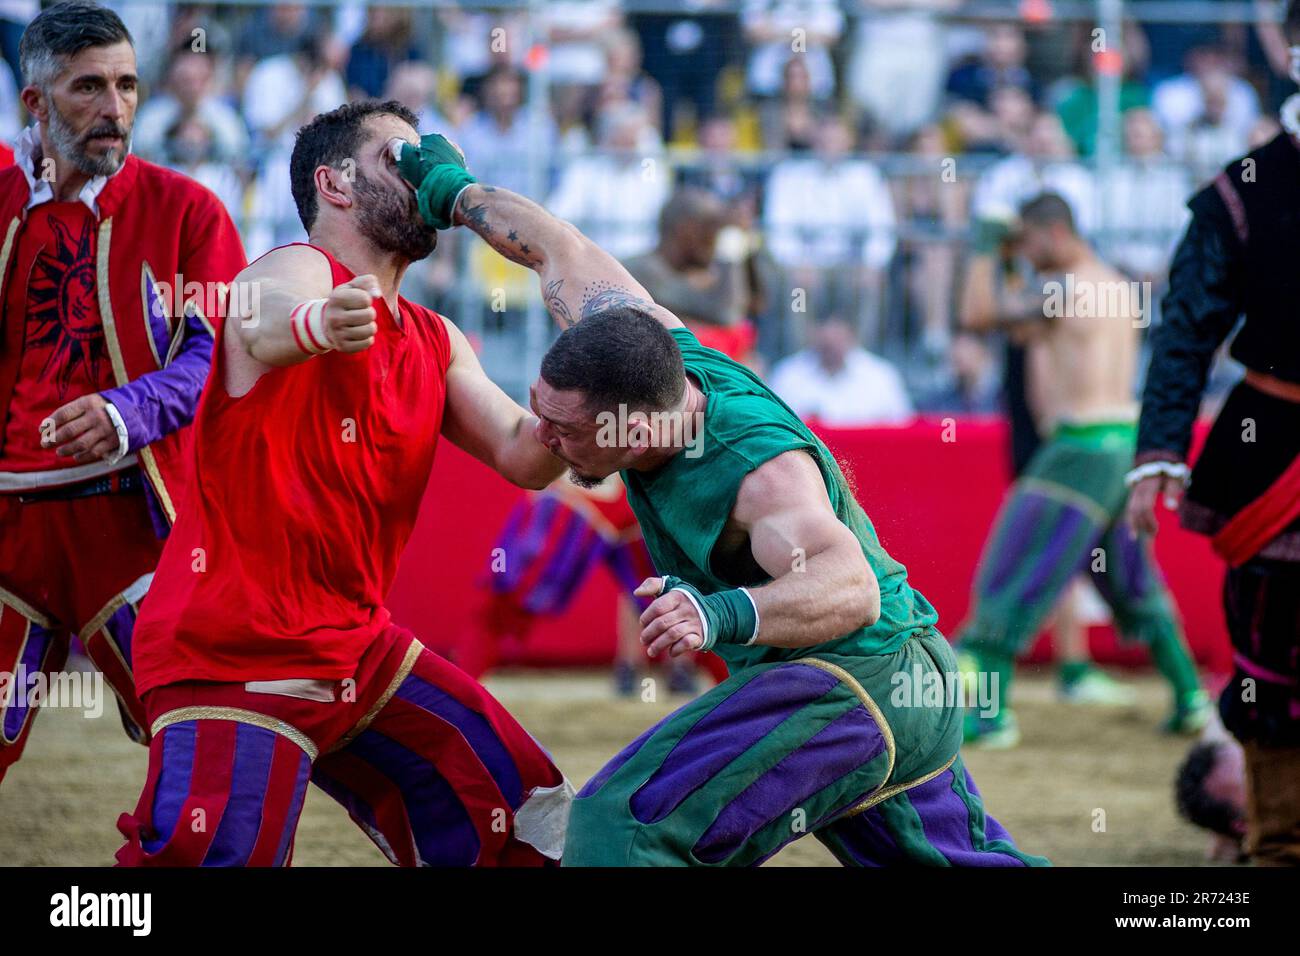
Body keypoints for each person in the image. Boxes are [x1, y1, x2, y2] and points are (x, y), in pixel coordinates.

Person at [406, 158, 1047, 866]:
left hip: (854, 682)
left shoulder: (759, 473)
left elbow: (852, 588)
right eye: (541, 412)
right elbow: (558, 245)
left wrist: (718, 615)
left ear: (636, 432)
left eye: (566, 430)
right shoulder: (643, 345)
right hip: (901, 688)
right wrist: (454, 194)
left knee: (621, 829)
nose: (543, 440)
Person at [115, 102, 580, 867]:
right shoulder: (297, 270)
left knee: (525, 818)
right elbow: (263, 318)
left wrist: (584, 418)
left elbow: (523, 455)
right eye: (401, 157)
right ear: (333, 184)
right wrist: (319, 326)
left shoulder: (434, 338)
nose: (426, 169)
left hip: (357, 651)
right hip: (236, 647)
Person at [0, 1, 245, 785]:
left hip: (133, 518)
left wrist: (125, 410)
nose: (116, 110)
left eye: (129, 86)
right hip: (6, 522)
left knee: (203, 746)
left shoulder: (189, 210)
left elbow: (218, 353)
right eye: (89, 89)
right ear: (35, 103)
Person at [1125, 0, 1300, 866]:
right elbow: (1185, 327)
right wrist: (1157, 451)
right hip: (1275, 456)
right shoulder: (1244, 190)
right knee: (1274, 664)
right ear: (1288, 48)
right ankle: (1271, 848)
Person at [956, 192, 1207, 749]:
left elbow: (976, 315)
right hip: (1124, 442)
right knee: (1130, 579)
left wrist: (984, 249)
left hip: (1080, 448)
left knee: (1011, 569)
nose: (1024, 251)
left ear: (1050, 233)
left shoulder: (1060, 289)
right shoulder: (1114, 284)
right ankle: (1190, 696)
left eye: (1027, 241)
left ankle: (993, 718)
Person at [622, 188, 754, 361]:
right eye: (715, 228)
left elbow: (741, 310)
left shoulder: (689, 275)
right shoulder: (641, 272)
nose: (717, 240)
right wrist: (730, 246)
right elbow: (726, 314)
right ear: (687, 230)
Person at [768, 316, 913, 426]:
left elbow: (902, 427)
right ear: (811, 332)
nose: (830, 340)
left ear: (851, 334)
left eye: (837, 333)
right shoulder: (787, 375)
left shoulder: (882, 376)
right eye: (825, 338)